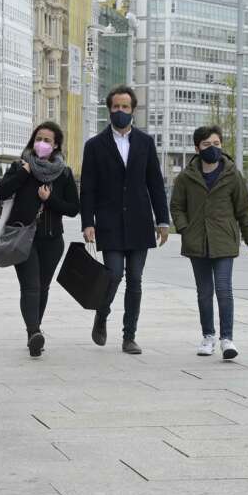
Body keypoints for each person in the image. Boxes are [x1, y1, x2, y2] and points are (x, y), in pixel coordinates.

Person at [80, 84, 171, 354]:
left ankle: (129, 336)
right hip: (108, 222)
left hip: (140, 222)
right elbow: (88, 188)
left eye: (126, 107)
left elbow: (155, 183)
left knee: (135, 279)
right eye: (116, 107)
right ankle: (102, 313)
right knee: (114, 274)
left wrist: (163, 220)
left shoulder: (144, 142)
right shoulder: (95, 145)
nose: (121, 111)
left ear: (133, 110)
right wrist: (88, 222)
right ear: (109, 110)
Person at [170, 125, 248, 360]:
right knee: (204, 292)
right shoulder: (187, 176)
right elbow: (177, 206)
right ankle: (208, 336)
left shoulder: (232, 174)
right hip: (196, 241)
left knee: (223, 289)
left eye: (217, 144)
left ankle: (227, 339)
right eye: (207, 145)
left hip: (224, 241)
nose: (213, 148)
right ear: (197, 148)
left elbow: (243, 210)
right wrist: (184, 229)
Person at [0, 121, 80, 357]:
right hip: (23, 238)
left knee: (42, 287)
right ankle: (34, 332)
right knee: (30, 286)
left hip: (52, 240)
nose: (41, 144)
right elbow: (0, 191)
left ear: (56, 146)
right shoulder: (20, 166)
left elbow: (73, 208)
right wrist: (23, 173)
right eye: (38, 139)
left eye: (47, 140)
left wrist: (50, 199)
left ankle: (35, 330)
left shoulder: (63, 173)